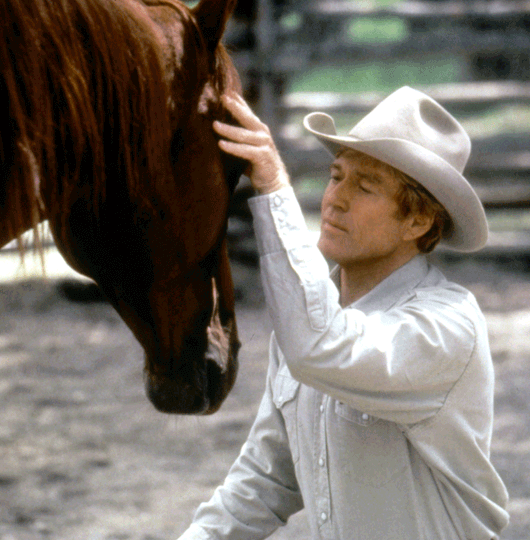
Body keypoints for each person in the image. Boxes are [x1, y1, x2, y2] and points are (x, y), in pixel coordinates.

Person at [177, 87, 509, 539]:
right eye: (336, 176)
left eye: (366, 186)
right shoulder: (306, 322)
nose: (336, 198)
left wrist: (274, 187)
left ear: (418, 222)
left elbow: (321, 346)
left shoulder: (448, 327)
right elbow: (265, 478)